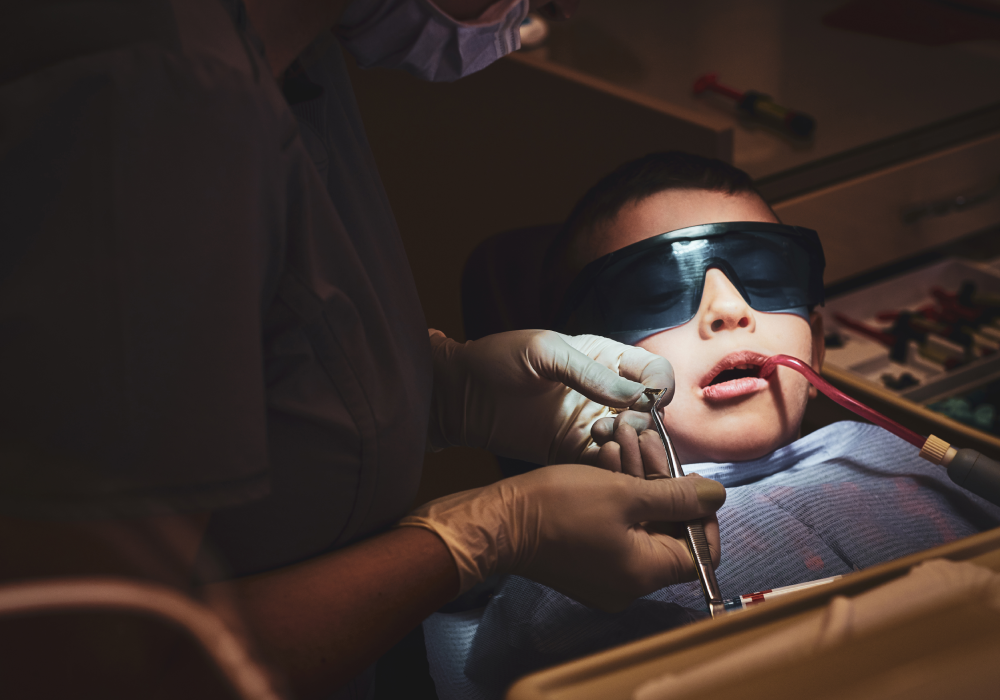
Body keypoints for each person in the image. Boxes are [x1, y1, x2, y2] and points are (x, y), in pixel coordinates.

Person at [0, 3, 729, 699]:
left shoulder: (291, 52)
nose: (570, 7)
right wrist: (483, 537)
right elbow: (81, 670)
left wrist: (446, 387)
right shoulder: (155, 100)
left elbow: (225, 343)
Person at [420, 152, 1000, 700]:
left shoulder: (908, 463)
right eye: (656, 288)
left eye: (765, 273)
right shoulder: (571, 572)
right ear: (582, 366)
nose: (727, 308)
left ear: (817, 343)